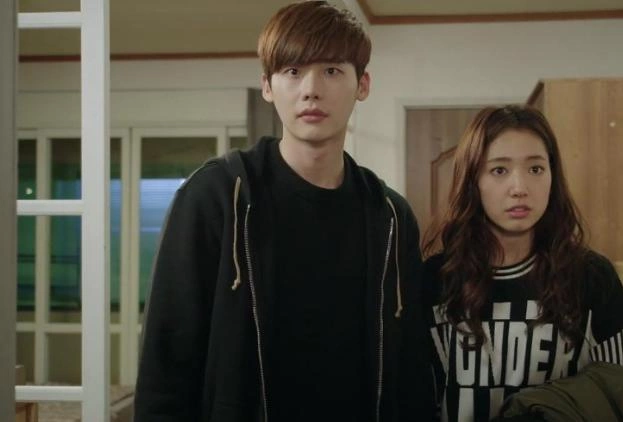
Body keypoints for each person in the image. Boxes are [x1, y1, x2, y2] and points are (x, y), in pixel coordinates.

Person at [134, 1, 433, 421]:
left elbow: (411, 369)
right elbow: (167, 361)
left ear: (362, 84)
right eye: (293, 71)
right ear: (268, 86)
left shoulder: (390, 216)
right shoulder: (216, 196)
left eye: (332, 70)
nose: (311, 89)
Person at [422, 105, 623, 422]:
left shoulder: (591, 276)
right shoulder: (433, 280)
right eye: (499, 170)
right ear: (473, 181)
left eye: (536, 169)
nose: (520, 188)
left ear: (553, 177)